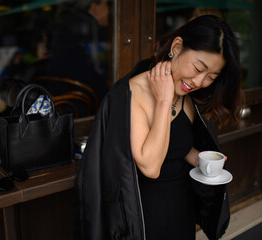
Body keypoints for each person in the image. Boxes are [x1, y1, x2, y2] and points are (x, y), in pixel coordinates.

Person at [75, 15, 244, 240]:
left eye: (211, 77)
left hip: (181, 211)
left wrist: (205, 161)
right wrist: (164, 101)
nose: (198, 82)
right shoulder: (130, 94)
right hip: (144, 219)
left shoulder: (187, 93)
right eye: (197, 68)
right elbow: (151, 166)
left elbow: (177, 147)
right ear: (177, 46)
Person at [46, 0, 109, 102]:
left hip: (66, 98)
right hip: (84, 101)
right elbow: (98, 72)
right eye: (108, 5)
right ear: (94, 7)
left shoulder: (66, 25)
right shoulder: (92, 29)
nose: (112, 11)